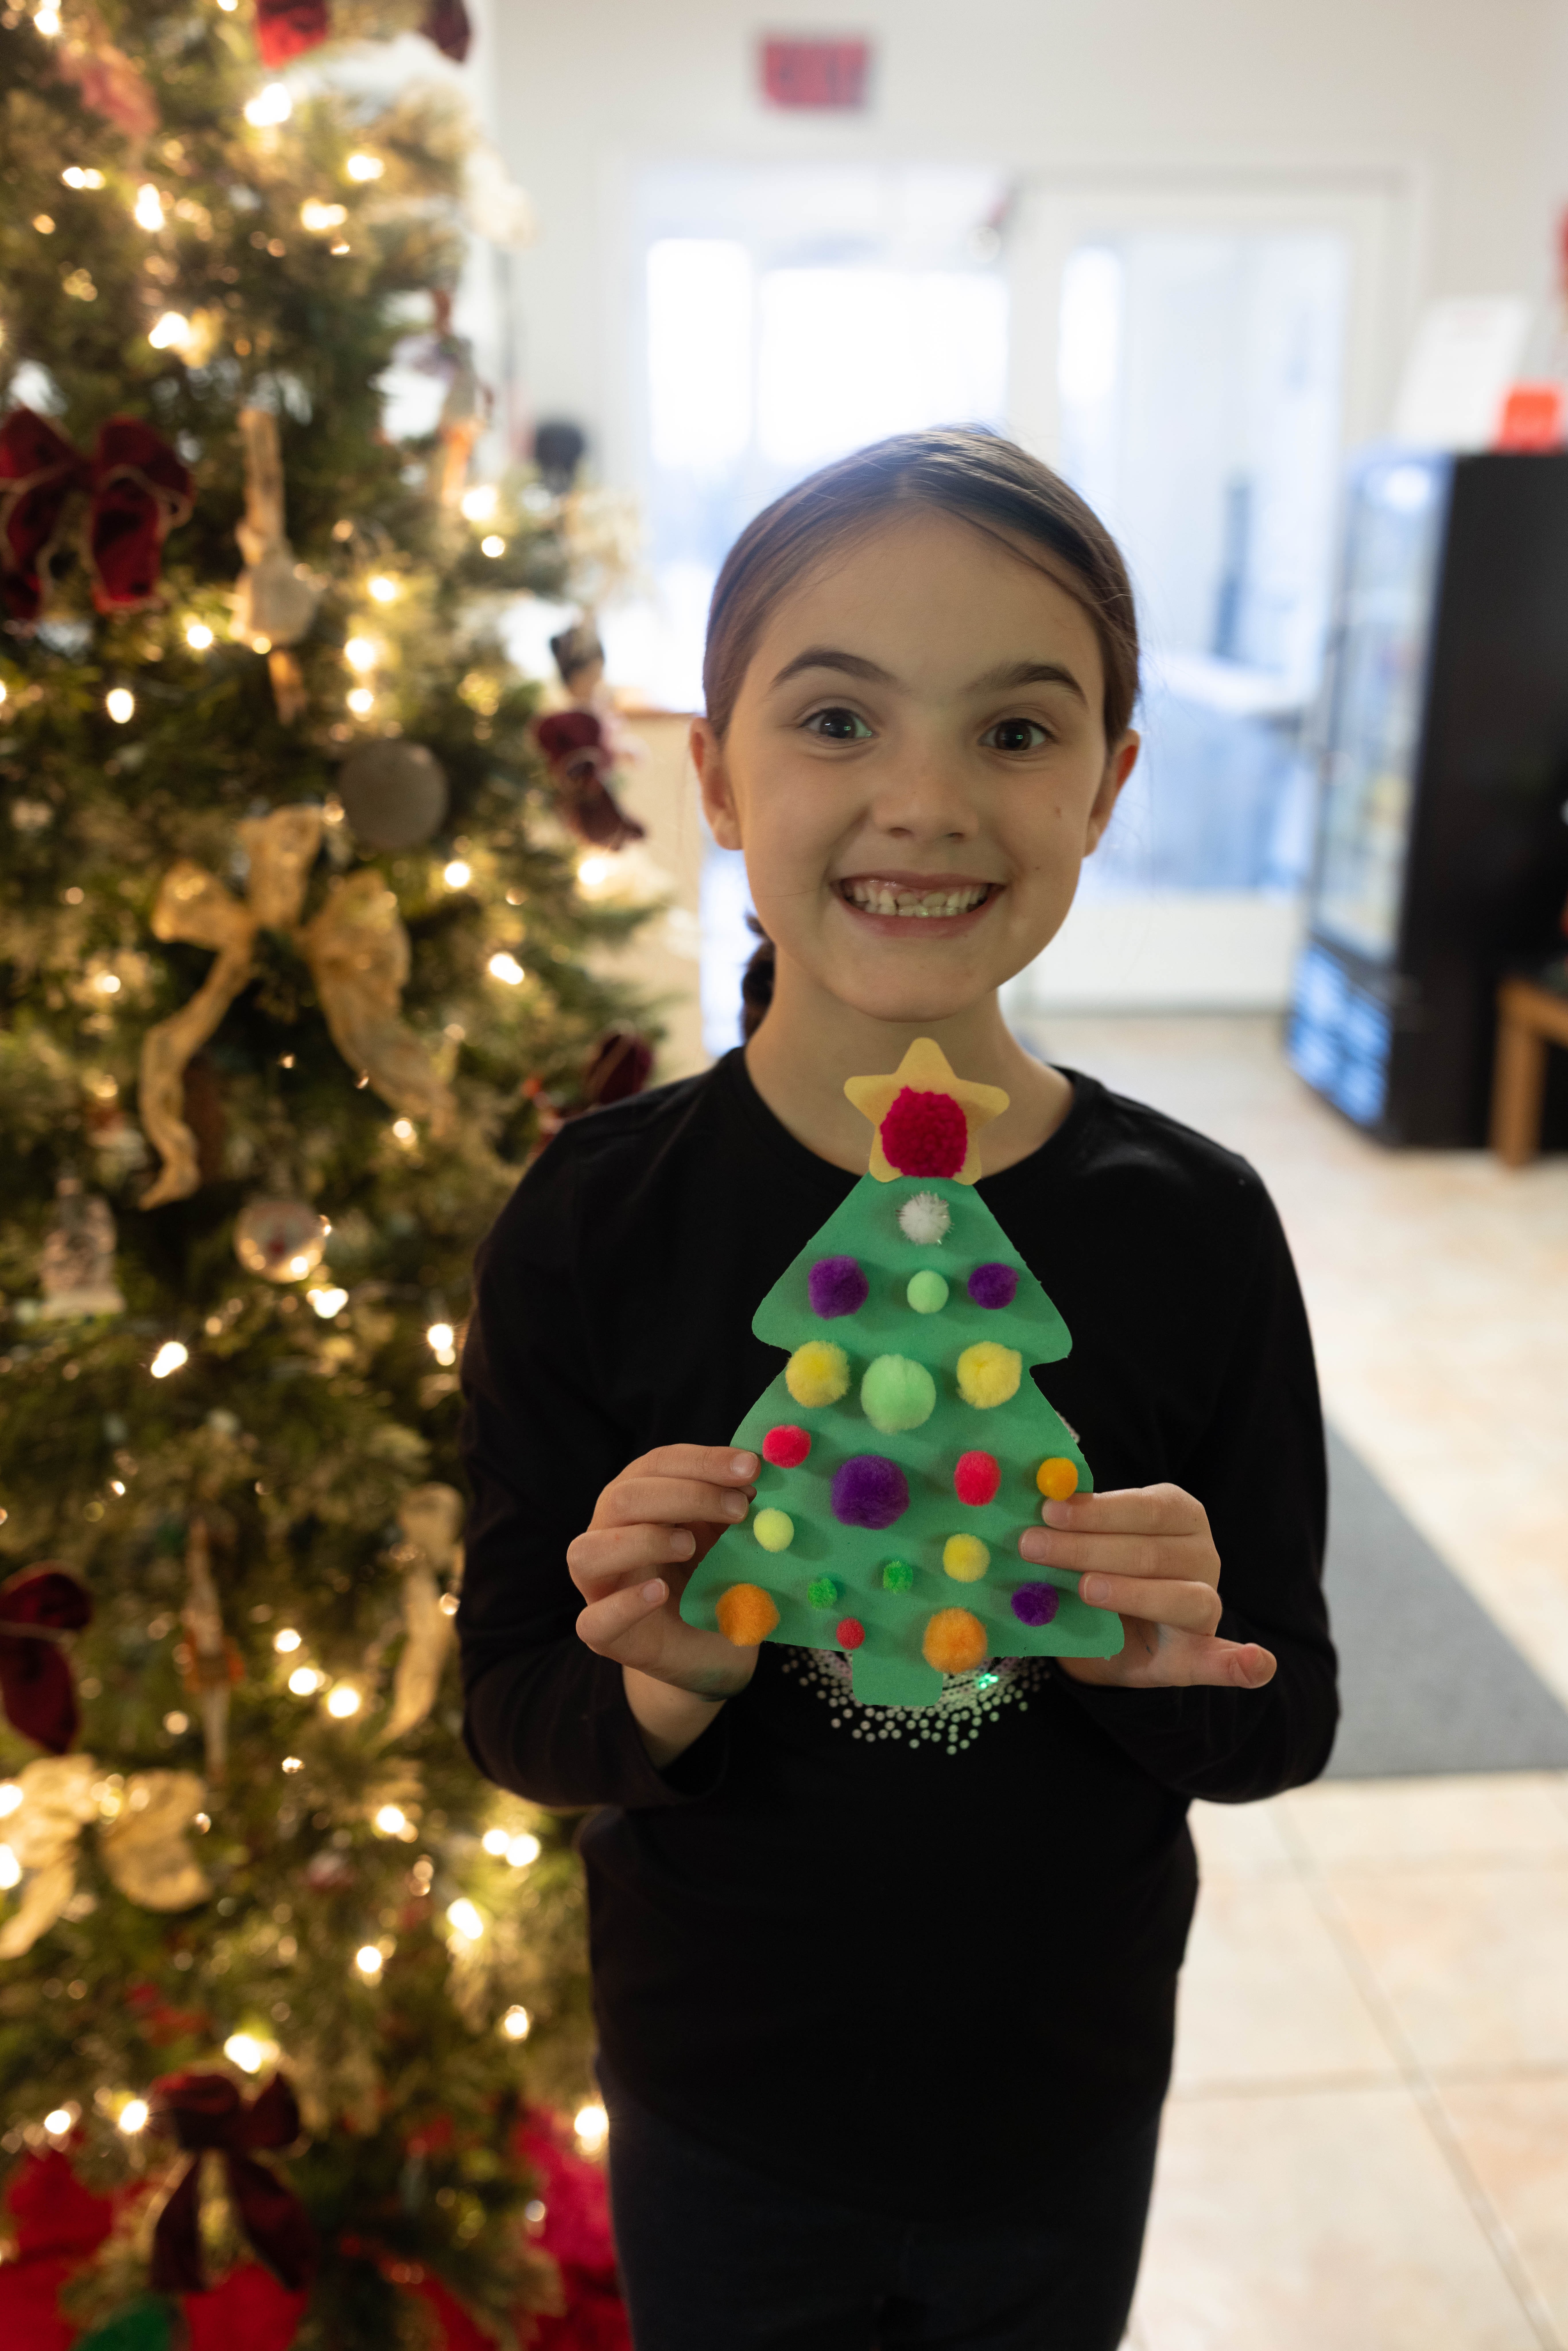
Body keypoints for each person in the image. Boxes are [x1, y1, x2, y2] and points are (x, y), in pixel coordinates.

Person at [459, 427, 1337, 2350]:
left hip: (1061, 2092)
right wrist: (658, 1672)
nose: (924, 804)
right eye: (837, 719)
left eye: (1016, 735)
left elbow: (1286, 1720)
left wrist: (1171, 1672)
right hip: (719, 2091)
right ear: (712, 773)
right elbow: (516, 1711)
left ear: (1106, 787)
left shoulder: (1195, 1229)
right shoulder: (594, 1225)